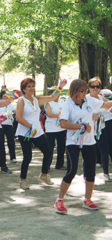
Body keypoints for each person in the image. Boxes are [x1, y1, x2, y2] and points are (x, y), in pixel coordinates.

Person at [54, 79, 112, 214]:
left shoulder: (90, 101)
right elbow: (63, 124)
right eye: (82, 91)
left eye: (86, 90)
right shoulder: (68, 104)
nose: (85, 93)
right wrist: (81, 126)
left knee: (91, 171)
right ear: (74, 91)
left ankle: (87, 199)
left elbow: (105, 104)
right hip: (73, 142)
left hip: (89, 141)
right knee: (72, 170)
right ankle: (59, 199)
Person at [16, 77, 67, 190]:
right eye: (28, 87)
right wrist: (31, 127)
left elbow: (53, 97)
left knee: (48, 151)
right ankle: (23, 180)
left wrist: (60, 87)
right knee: (27, 157)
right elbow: (18, 118)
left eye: (33, 86)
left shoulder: (36, 99)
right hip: (25, 133)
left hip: (37, 131)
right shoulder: (21, 101)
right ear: (23, 89)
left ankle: (44, 175)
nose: (31, 89)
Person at [88, 77, 112, 181]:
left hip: (102, 128)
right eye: (92, 86)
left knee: (105, 149)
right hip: (89, 129)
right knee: (88, 151)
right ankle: (86, 175)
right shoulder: (86, 99)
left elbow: (109, 106)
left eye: (97, 86)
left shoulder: (101, 98)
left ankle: (106, 173)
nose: (95, 89)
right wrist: (93, 116)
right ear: (88, 87)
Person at [45, 91, 66, 170]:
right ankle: (47, 166)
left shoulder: (62, 101)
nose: (57, 96)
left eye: (58, 94)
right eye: (55, 95)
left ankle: (59, 165)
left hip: (61, 128)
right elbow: (49, 114)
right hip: (51, 129)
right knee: (50, 148)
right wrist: (60, 115)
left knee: (61, 148)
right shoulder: (48, 103)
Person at [0, 91, 17, 163]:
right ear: (1, 97)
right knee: (0, 142)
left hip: (8, 124)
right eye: (4, 96)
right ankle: (1, 158)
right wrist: (0, 116)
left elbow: (16, 111)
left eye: (7, 97)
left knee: (11, 141)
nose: (6, 98)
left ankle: (13, 157)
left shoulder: (11, 104)